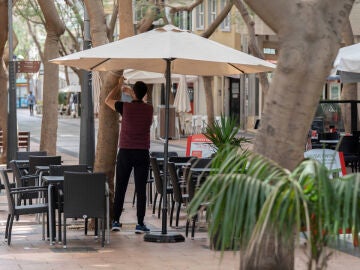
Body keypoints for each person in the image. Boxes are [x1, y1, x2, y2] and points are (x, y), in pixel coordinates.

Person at [105, 76, 153, 234]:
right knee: (141, 189)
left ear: (134, 93)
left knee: (121, 186)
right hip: (142, 153)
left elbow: (107, 100)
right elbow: (141, 102)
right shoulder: (149, 109)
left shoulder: (124, 107)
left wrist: (119, 86)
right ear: (145, 94)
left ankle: (116, 221)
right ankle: (140, 223)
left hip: (125, 151)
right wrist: (134, 94)